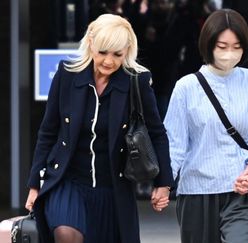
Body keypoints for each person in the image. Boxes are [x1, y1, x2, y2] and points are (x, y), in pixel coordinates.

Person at [25, 14, 174, 243]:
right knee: (66, 234)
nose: (108, 61)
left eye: (117, 54)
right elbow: (48, 131)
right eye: (102, 52)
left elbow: (157, 133)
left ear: (128, 51)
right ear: (91, 43)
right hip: (67, 182)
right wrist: (34, 184)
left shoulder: (137, 81)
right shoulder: (67, 74)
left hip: (113, 187)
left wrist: (163, 183)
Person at [164, 9, 248, 243]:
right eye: (222, 46)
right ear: (208, 44)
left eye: (236, 47)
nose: (229, 53)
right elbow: (174, 144)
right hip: (197, 191)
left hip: (243, 190)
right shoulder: (186, 88)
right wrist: (164, 183)